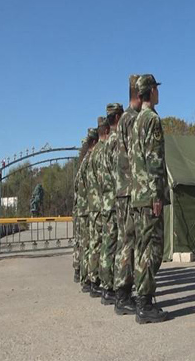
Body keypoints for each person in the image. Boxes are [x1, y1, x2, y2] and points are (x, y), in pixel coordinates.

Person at [130, 74, 169, 324]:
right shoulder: (152, 120)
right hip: (148, 196)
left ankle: (142, 300)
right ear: (151, 91)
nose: (158, 93)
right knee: (152, 249)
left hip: (137, 195)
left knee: (142, 247)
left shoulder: (135, 122)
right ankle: (144, 304)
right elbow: (154, 160)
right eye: (156, 89)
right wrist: (156, 194)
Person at [113, 75, 141, 315]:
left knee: (125, 240)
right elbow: (136, 156)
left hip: (122, 190)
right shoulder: (132, 120)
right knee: (129, 242)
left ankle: (121, 292)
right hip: (130, 190)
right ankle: (123, 294)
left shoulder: (123, 120)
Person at [99, 103, 124, 305]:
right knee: (114, 245)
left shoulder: (105, 145)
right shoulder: (115, 141)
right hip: (114, 201)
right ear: (117, 117)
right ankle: (111, 287)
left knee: (108, 244)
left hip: (106, 201)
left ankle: (107, 287)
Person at [87, 117, 109, 298]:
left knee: (95, 243)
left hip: (93, 204)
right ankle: (100, 281)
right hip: (102, 204)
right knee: (103, 244)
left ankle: (93, 279)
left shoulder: (92, 155)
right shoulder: (101, 152)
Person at [80, 128, 98, 293]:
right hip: (94, 207)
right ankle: (92, 281)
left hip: (87, 208)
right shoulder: (92, 159)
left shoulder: (85, 161)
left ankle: (86, 278)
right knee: (95, 244)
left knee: (88, 243)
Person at [72, 137, 88, 283]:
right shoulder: (88, 163)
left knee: (82, 242)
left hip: (81, 209)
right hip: (89, 209)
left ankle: (80, 270)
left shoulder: (82, 166)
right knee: (89, 243)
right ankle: (88, 276)